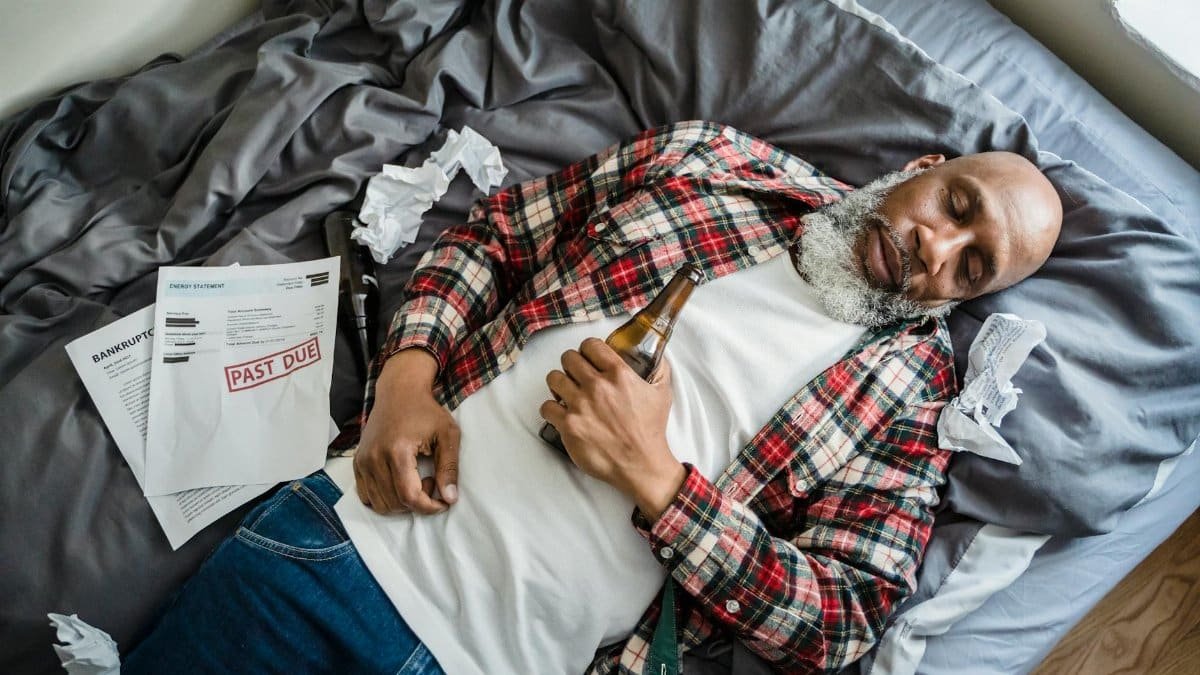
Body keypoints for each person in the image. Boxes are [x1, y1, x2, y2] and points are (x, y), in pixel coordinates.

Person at [124, 121, 1062, 674]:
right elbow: (495, 238)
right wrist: (403, 381)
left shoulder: (909, 401)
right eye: (957, 205)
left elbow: (840, 620)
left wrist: (662, 482)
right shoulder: (713, 160)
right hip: (333, 553)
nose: (939, 249)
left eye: (971, 268)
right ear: (919, 171)